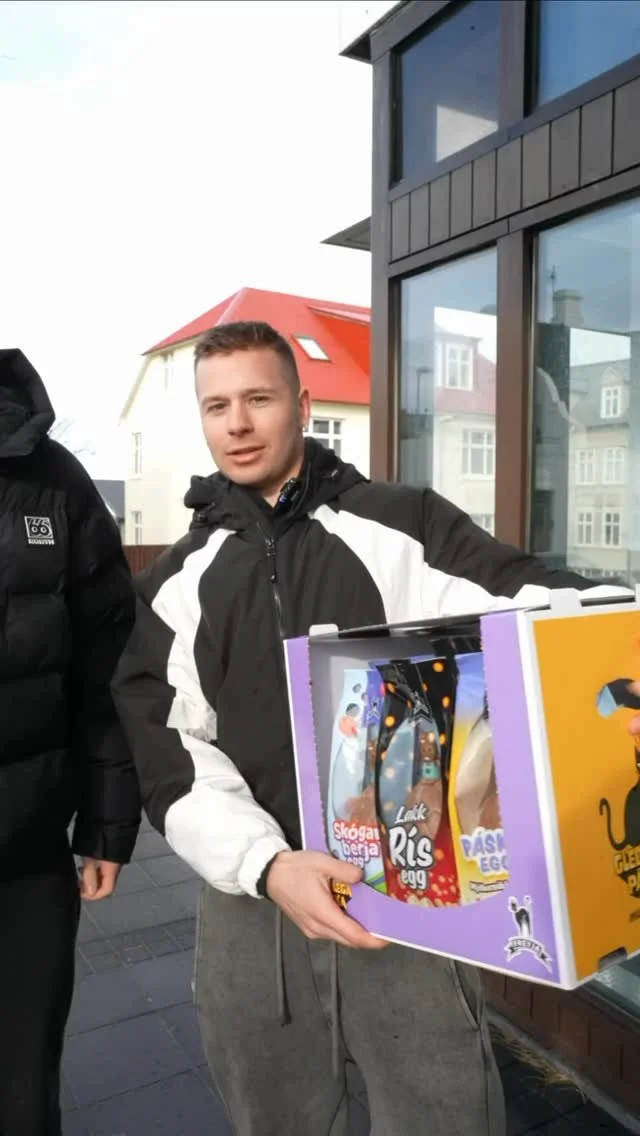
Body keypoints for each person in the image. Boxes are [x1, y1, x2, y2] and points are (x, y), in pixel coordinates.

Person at [112, 321, 622, 1136]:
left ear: (302, 403)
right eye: (217, 406)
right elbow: (169, 753)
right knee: (274, 1122)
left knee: (444, 1117)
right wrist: (265, 863)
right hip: (255, 902)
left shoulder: (403, 524)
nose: (237, 424)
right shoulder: (177, 581)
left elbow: (539, 601)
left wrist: (618, 642)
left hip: (404, 891)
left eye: (257, 398)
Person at [0, 348, 141, 1136]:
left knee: (23, 1100)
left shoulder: (55, 482)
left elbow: (107, 666)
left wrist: (106, 825)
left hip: (24, 860)